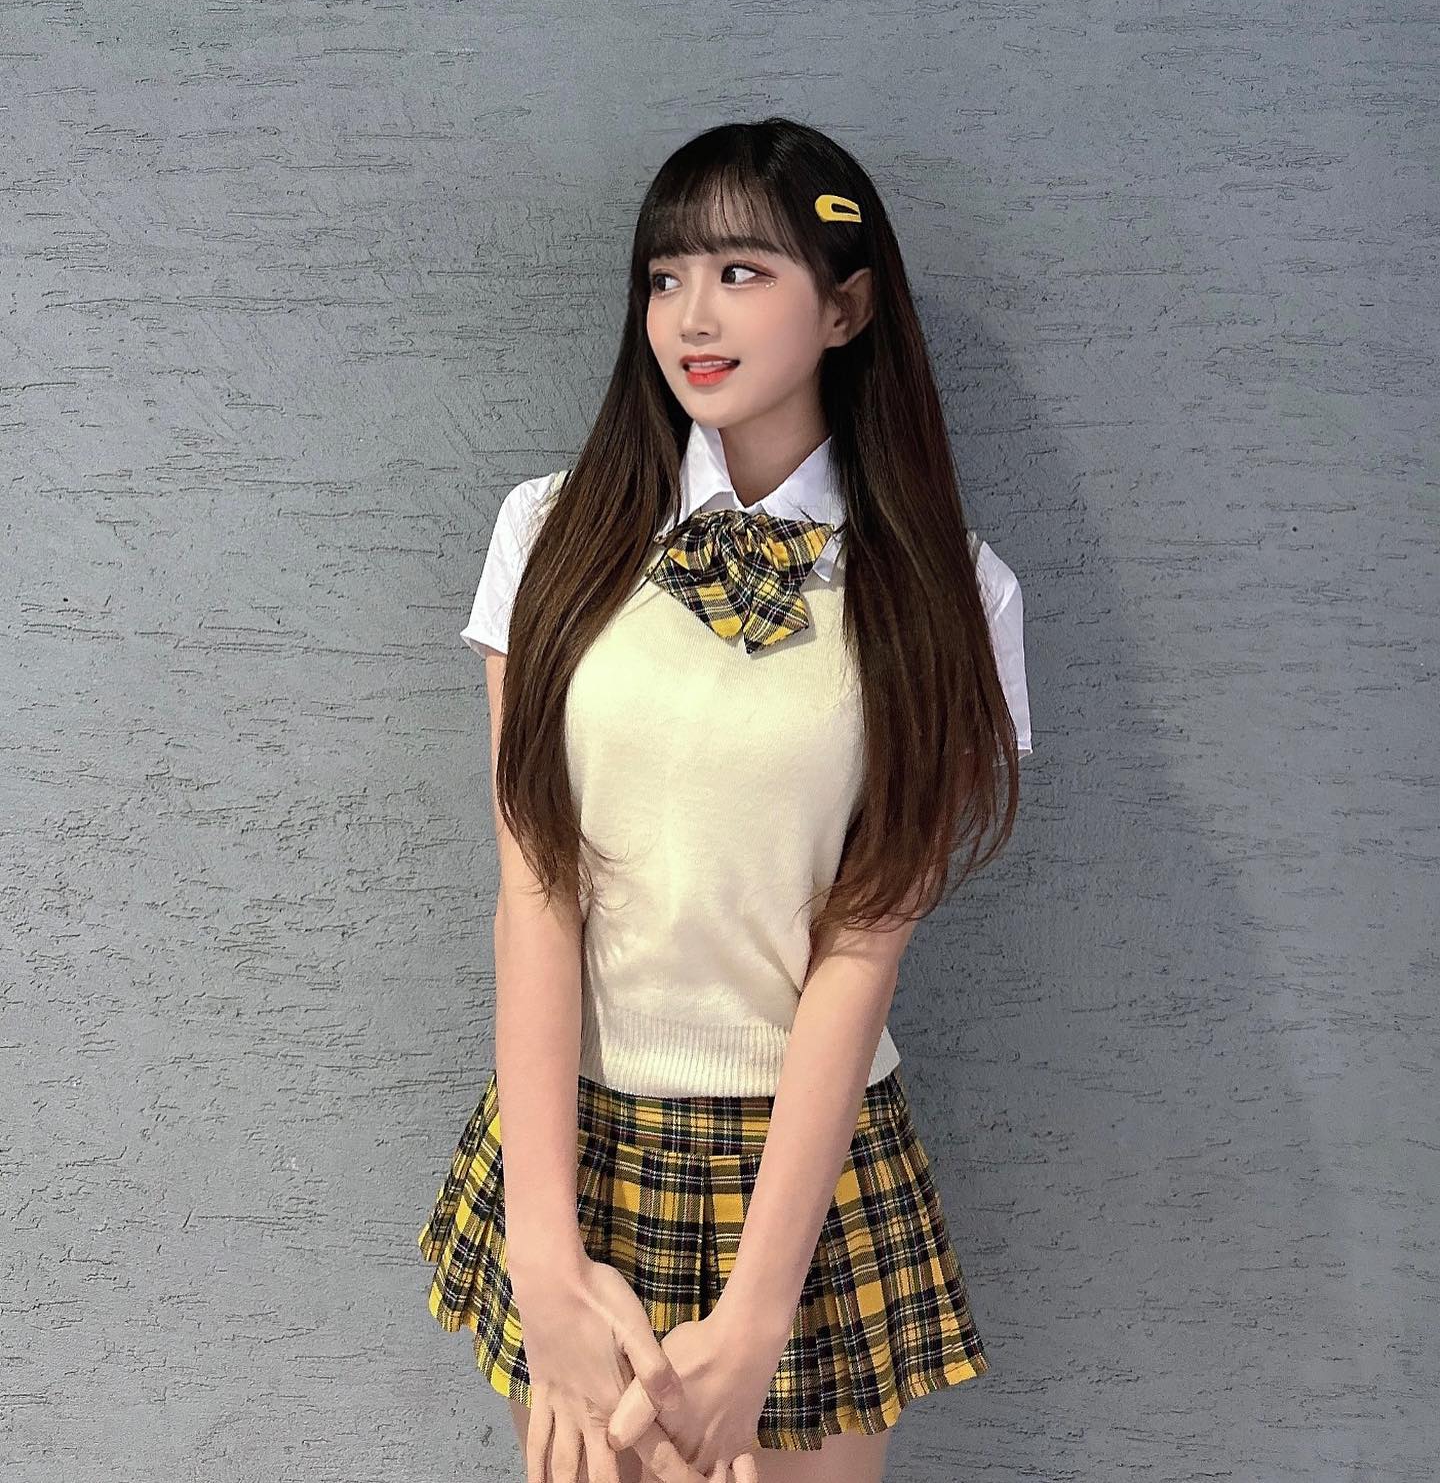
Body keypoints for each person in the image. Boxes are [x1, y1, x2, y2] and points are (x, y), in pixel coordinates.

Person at [417, 116, 1033, 1483]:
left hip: (805, 1178)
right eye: (666, 276)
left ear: (846, 306)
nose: (692, 316)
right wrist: (544, 1254)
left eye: (743, 271)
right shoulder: (550, 532)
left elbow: (865, 948)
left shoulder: (952, 595)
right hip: (579, 1144)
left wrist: (759, 1314)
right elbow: (535, 885)